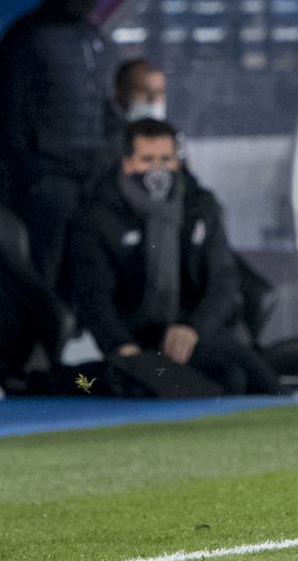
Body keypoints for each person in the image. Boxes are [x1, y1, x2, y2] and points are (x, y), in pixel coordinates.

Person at [67, 119, 280, 394]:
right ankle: (54, 382)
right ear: (128, 163)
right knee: (142, 384)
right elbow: (92, 292)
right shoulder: (98, 214)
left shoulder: (200, 206)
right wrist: (120, 345)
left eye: (165, 159)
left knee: (237, 377)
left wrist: (193, 329)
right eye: (147, 159)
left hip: (195, 333)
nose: (158, 169)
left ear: (177, 162)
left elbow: (223, 281)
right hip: (135, 340)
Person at [0, 0, 122, 291]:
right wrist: (35, 177)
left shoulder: (96, 40)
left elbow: (109, 112)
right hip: (50, 188)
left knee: (93, 278)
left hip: (94, 183)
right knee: (43, 281)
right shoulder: (27, 36)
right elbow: (4, 119)